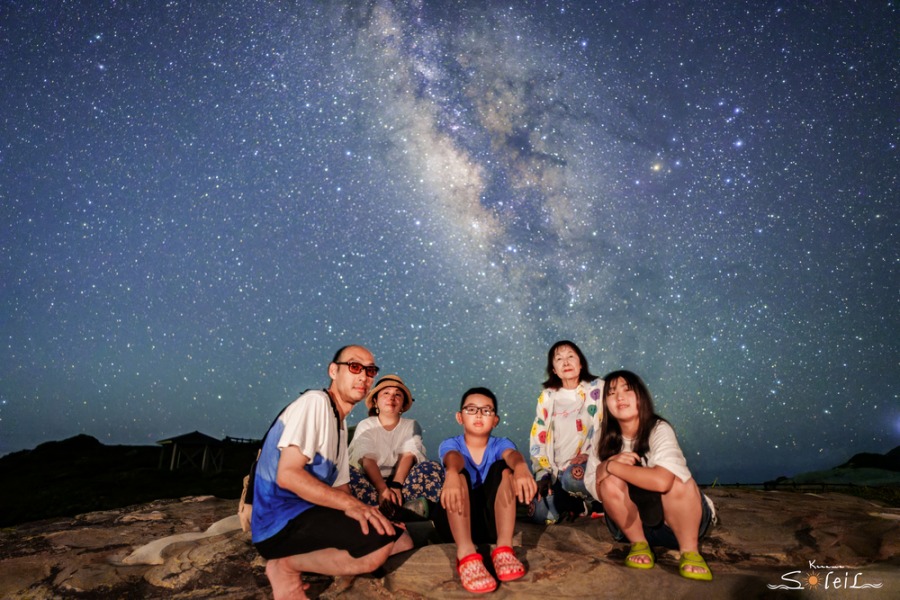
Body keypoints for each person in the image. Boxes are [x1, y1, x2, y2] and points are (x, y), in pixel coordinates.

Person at [251, 345, 414, 599]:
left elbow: (341, 490)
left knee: (402, 540)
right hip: (279, 523)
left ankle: (317, 561)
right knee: (376, 550)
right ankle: (284, 567)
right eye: (355, 367)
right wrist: (354, 507)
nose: (364, 376)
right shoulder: (315, 402)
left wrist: (374, 514)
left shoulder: (339, 424)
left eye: (370, 370)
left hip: (309, 513)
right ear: (333, 371)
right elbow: (288, 475)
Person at [585, 370, 715, 581]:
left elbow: (662, 482)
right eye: (611, 392)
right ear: (605, 403)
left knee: (679, 481)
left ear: (641, 397)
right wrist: (606, 468)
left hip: (677, 524)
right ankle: (639, 545)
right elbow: (594, 486)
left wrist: (611, 467)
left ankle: (690, 551)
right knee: (608, 483)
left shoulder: (658, 429)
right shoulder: (602, 436)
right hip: (631, 526)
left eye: (627, 390)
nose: (619, 397)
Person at [433, 387, 537, 593]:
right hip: (457, 521)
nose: (479, 414)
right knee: (459, 473)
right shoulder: (451, 444)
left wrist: (521, 467)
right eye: (471, 409)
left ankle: (504, 548)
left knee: (504, 469)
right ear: (459, 417)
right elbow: (452, 458)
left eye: (486, 410)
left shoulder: (500, 444)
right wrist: (451, 472)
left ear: (496, 420)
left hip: (491, 524)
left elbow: (511, 455)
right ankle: (465, 553)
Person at [527, 340, 604, 523]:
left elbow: (607, 427)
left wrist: (589, 455)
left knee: (573, 477)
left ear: (580, 363)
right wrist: (542, 473)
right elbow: (538, 436)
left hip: (586, 465)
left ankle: (594, 501)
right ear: (554, 369)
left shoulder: (597, 389)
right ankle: (575, 504)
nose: (566, 362)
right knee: (539, 514)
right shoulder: (548, 396)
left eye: (571, 356)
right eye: (559, 359)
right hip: (557, 471)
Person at [348, 374, 443, 515]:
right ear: (375, 401)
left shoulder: (411, 425)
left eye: (397, 394)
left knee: (431, 467)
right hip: (371, 484)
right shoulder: (366, 425)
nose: (392, 398)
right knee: (344, 473)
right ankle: (377, 509)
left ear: (403, 404)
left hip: (401, 484)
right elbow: (367, 458)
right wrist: (382, 490)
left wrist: (396, 486)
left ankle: (409, 509)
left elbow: (408, 454)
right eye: (386, 393)